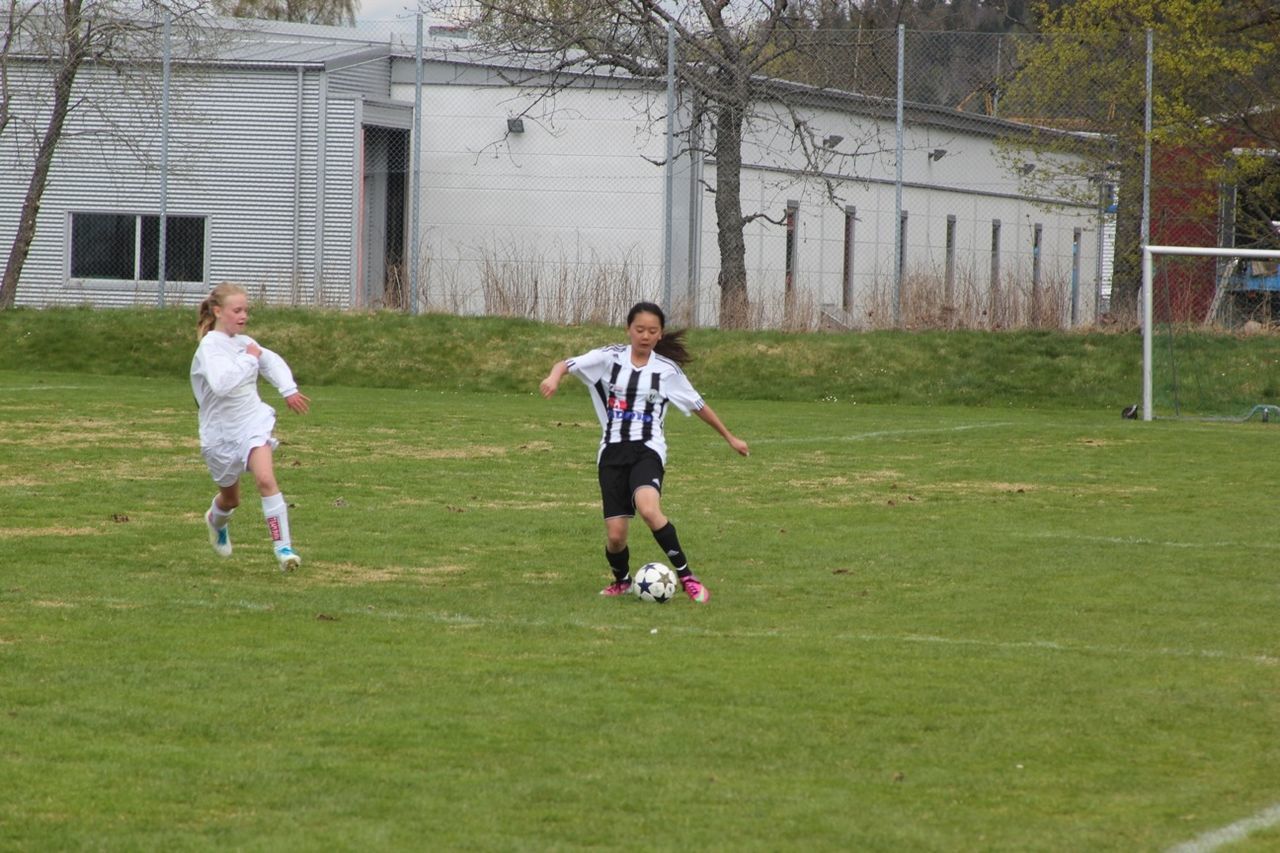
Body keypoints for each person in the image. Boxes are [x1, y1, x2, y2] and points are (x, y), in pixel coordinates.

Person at [539, 301, 749, 603]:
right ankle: (622, 581)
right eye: (640, 329)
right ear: (629, 330)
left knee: (649, 509)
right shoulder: (609, 358)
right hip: (611, 453)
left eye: (652, 331)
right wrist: (553, 378)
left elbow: (699, 405)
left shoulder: (667, 371)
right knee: (615, 536)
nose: (645, 335)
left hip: (647, 450)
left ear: (660, 334)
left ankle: (687, 577)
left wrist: (730, 437)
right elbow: (566, 364)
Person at [191, 283, 310, 571]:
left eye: (246, 310)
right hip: (219, 434)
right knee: (231, 500)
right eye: (237, 310)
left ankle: (284, 549)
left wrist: (288, 389)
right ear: (218, 312)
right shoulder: (210, 347)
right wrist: (249, 358)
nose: (243, 315)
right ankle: (216, 520)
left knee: (266, 481)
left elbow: (270, 361)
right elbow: (221, 384)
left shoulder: (245, 343)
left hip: (251, 424)